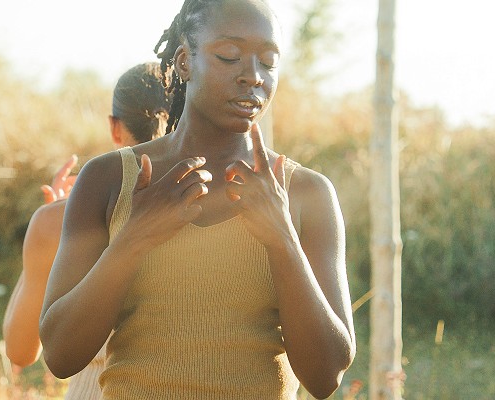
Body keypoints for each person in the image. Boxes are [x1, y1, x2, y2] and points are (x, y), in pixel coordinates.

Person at [38, 0, 355, 398]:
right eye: (229, 56)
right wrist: (134, 237)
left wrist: (283, 239)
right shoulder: (107, 180)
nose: (253, 76)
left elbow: (327, 377)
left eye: (269, 62)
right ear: (184, 62)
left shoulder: (307, 194)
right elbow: (60, 354)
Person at [1, 62, 172, 399]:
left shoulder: (61, 220)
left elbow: (20, 351)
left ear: (115, 127)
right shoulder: (218, 206)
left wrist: (48, 224)